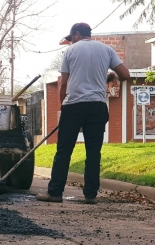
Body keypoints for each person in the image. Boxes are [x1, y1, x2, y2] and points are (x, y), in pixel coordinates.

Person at [36, 22, 130, 204]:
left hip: (74, 105)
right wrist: (109, 77)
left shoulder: (70, 52)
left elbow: (64, 83)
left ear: (77, 34)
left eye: (72, 38)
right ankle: (90, 195)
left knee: (64, 150)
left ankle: (55, 193)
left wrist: (63, 106)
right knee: (93, 151)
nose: (71, 42)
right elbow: (125, 75)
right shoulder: (107, 50)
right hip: (97, 106)